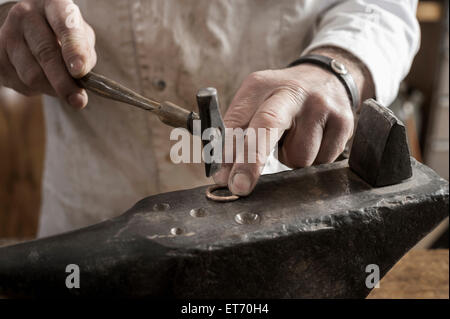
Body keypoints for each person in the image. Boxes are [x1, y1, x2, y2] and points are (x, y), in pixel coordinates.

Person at [0, 0, 420, 237]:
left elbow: (382, 7)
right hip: (96, 218)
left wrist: (335, 68)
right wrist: (10, 29)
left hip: (281, 209)